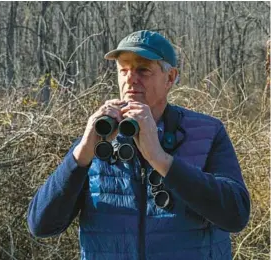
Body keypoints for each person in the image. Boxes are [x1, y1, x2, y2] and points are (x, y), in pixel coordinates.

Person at [27, 30, 250, 260]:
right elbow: (41, 226)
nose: (130, 78)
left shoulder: (207, 133)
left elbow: (236, 215)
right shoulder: (98, 138)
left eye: (143, 69)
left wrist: (161, 160)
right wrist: (80, 155)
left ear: (170, 78)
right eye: (123, 70)